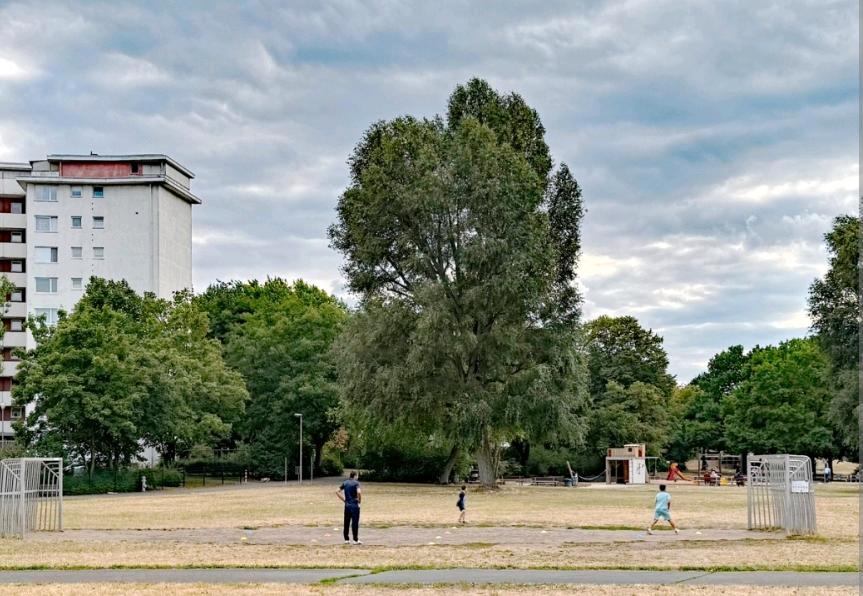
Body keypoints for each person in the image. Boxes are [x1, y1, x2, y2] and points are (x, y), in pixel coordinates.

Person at [337, 471, 362, 545]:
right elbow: (359, 492)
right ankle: (355, 539)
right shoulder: (356, 483)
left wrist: (344, 500)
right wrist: (359, 500)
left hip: (347, 505)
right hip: (354, 505)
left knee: (346, 522)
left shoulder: (345, 483)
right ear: (354, 476)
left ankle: (346, 539)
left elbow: (337, 491)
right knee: (355, 522)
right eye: (357, 476)